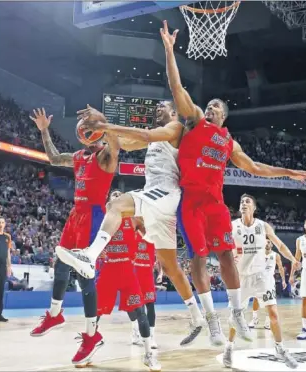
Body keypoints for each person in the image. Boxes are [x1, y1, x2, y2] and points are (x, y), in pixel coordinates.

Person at [158, 20, 306, 342]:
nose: (210, 108)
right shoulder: (197, 122)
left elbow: (254, 167)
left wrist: (287, 171)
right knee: (197, 259)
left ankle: (237, 313)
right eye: (209, 105)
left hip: (215, 203)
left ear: (224, 116)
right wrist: (169, 51)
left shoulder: (229, 141)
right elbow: (178, 91)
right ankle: (211, 320)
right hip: (191, 201)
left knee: (228, 256)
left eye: (216, 106)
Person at [57, 102, 209, 346]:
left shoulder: (175, 128)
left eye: (163, 106)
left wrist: (104, 124)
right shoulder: (154, 137)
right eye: (157, 106)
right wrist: (104, 129)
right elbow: (124, 144)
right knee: (170, 266)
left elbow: (145, 134)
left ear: (173, 113)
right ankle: (196, 316)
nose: (158, 107)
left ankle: (89, 255)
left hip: (165, 193)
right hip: (161, 204)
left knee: (116, 205)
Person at [28, 108, 120, 367]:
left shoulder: (106, 157)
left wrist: (102, 119)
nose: (87, 132)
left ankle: (92, 335)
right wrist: (44, 130)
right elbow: (55, 158)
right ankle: (55, 314)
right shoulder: (79, 156)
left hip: (93, 215)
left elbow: (116, 143)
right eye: (85, 129)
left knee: (85, 275)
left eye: (92, 129)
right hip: (75, 214)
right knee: (61, 263)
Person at [223, 194, 299, 369]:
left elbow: (279, 245)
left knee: (273, 313)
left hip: (261, 276)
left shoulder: (262, 226)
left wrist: (292, 259)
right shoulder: (231, 226)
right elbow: (223, 248)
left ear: (254, 208)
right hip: (240, 278)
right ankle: (229, 346)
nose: (243, 204)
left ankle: (281, 349)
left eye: (247, 202)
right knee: (236, 317)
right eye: (241, 201)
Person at [95, 190, 160, 371]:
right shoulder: (104, 220)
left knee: (140, 310)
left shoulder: (134, 220)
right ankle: (88, 345)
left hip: (127, 269)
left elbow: (152, 236)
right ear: (108, 201)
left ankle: (148, 354)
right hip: (108, 268)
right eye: (113, 195)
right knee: (94, 311)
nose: (117, 197)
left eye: (119, 195)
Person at [132, 216, 158, 349]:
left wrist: (161, 271)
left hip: (147, 275)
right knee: (136, 307)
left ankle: (151, 336)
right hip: (134, 275)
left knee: (150, 306)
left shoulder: (152, 236)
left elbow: (159, 254)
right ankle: (136, 333)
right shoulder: (132, 234)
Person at [249, 239, 287, 330]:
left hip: (269, 281)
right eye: (265, 241)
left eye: (269, 242)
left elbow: (281, 268)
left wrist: (283, 280)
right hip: (258, 280)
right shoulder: (258, 254)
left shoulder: (275, 255)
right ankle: (254, 319)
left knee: (268, 302)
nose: (266, 243)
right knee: (256, 299)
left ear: (272, 245)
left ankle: (267, 321)